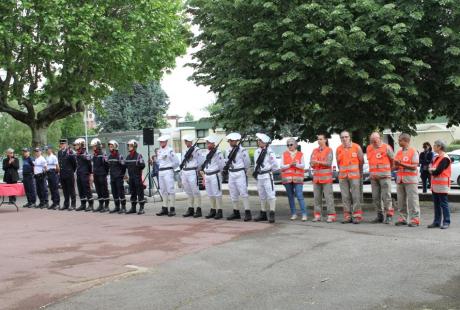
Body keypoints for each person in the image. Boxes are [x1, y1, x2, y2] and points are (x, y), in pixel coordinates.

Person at [336, 131, 364, 224]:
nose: (344, 139)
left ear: (350, 137)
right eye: (342, 137)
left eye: (346, 137)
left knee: (356, 196)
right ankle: (347, 216)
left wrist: (359, 173)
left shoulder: (357, 147)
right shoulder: (338, 149)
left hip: (355, 176)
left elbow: (361, 162)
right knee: (345, 197)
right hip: (343, 177)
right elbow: (338, 163)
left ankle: (357, 216)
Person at [367, 132, 394, 224]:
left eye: (375, 140)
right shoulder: (369, 148)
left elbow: (393, 160)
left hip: (385, 176)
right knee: (375, 197)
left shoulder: (386, 147)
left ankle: (389, 215)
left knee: (386, 196)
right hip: (374, 177)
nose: (374, 142)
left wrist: (389, 171)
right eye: (372, 141)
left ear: (380, 138)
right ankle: (379, 215)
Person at [394, 133, 420, 227]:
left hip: (411, 180)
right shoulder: (399, 152)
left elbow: (414, 166)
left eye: (400, 140)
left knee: (413, 200)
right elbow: (396, 166)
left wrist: (401, 164)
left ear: (406, 141)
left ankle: (415, 219)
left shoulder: (413, 151)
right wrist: (395, 165)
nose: (398, 142)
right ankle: (402, 218)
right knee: (401, 201)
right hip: (400, 180)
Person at [225, 132, 251, 221]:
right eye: (229, 141)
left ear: (236, 141)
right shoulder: (228, 150)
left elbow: (247, 163)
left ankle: (248, 212)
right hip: (231, 173)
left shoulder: (242, 150)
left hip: (240, 172)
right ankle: (236, 212)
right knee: (233, 193)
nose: (230, 142)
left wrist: (244, 170)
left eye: (231, 141)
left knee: (243, 192)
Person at [253, 133, 279, 223]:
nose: (258, 142)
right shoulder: (257, 151)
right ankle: (263, 213)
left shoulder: (269, 152)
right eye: (258, 140)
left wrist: (269, 170)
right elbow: (256, 164)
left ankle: (272, 213)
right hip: (259, 176)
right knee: (262, 195)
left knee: (271, 195)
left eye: (260, 140)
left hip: (267, 175)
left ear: (265, 142)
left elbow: (275, 165)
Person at [310, 134, 336, 222]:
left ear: (325, 140)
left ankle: (331, 215)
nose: (319, 141)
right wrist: (312, 163)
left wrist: (317, 162)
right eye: (318, 139)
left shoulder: (329, 150)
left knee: (328, 197)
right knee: (317, 198)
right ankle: (317, 215)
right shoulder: (314, 150)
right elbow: (311, 163)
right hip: (316, 178)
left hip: (326, 178)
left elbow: (328, 163)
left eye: (321, 139)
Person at [281, 138, 307, 221]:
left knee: (299, 196)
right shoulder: (284, 154)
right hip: (287, 179)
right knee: (290, 197)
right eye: (288, 145)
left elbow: (303, 165)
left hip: (298, 178)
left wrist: (296, 164)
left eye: (291, 144)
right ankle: (293, 214)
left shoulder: (300, 154)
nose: (289, 146)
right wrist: (289, 165)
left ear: (295, 145)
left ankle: (304, 214)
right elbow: (281, 166)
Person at [428, 139, 452, 229]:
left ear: (439, 147)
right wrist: (431, 170)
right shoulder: (436, 157)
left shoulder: (445, 158)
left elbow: (437, 171)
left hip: (442, 186)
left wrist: (431, 171)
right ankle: (437, 222)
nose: (433, 146)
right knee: (436, 204)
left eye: (434, 145)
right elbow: (431, 168)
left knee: (443, 204)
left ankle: (446, 221)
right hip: (435, 186)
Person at [201, 135, 225, 219]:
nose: (208, 145)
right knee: (210, 193)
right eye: (207, 143)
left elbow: (222, 165)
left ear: (213, 143)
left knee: (217, 193)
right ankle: (213, 209)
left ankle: (219, 210)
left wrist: (219, 174)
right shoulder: (206, 152)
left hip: (215, 174)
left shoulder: (218, 152)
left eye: (209, 143)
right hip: (207, 175)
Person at [179, 135, 204, 218]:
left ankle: (198, 209)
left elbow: (200, 161)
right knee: (188, 190)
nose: (186, 142)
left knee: (195, 190)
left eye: (188, 141)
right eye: (185, 141)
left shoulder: (196, 150)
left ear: (191, 141)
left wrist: (197, 169)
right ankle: (190, 208)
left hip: (193, 171)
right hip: (185, 171)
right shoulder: (185, 150)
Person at [155, 135, 179, 216]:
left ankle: (172, 208)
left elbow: (176, 162)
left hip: (168, 171)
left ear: (166, 141)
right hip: (161, 171)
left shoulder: (170, 150)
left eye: (163, 141)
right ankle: (164, 208)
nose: (161, 143)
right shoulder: (159, 151)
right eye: (160, 142)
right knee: (163, 190)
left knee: (170, 190)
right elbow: (158, 162)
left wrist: (170, 167)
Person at [125, 139, 146, 215]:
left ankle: (141, 208)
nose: (129, 147)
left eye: (130, 146)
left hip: (137, 177)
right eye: (128, 146)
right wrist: (126, 176)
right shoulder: (127, 157)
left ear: (134, 146)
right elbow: (125, 166)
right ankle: (133, 208)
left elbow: (143, 165)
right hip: (131, 178)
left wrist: (137, 169)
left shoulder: (139, 156)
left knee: (140, 192)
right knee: (132, 192)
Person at [74, 138, 93, 211]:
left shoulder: (86, 154)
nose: (75, 146)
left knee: (87, 189)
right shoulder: (77, 154)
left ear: (81, 145)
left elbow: (90, 165)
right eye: (75, 145)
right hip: (79, 173)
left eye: (77, 145)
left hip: (85, 174)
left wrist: (91, 174)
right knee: (80, 189)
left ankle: (90, 204)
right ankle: (83, 204)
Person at [90, 138, 110, 212]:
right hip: (96, 174)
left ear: (98, 146)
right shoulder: (94, 155)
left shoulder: (103, 154)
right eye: (93, 146)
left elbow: (107, 165)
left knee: (104, 190)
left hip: (102, 174)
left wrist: (104, 173)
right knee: (98, 190)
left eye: (94, 146)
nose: (93, 148)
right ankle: (101, 205)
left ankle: (106, 206)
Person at [107, 140, 127, 214]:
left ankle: (123, 207)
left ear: (115, 147)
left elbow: (124, 166)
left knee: (120, 192)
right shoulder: (109, 156)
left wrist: (121, 174)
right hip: (112, 177)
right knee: (114, 192)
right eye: (109, 146)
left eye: (111, 146)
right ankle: (117, 207)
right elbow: (108, 166)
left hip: (118, 177)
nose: (110, 148)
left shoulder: (119, 156)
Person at [57, 139, 77, 211]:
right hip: (62, 174)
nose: (62, 145)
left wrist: (71, 171)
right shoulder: (59, 152)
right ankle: (66, 204)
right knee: (65, 190)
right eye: (61, 144)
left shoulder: (70, 152)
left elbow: (74, 164)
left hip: (69, 173)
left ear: (66, 144)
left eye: (63, 144)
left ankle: (73, 204)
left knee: (71, 189)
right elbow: (60, 163)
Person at [45, 145, 60, 210]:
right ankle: (54, 202)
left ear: (50, 149)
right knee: (51, 189)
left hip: (53, 173)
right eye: (46, 149)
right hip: (48, 173)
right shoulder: (47, 157)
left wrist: (55, 173)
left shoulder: (53, 157)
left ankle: (57, 203)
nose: (47, 150)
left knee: (55, 189)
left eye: (47, 149)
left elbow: (57, 167)